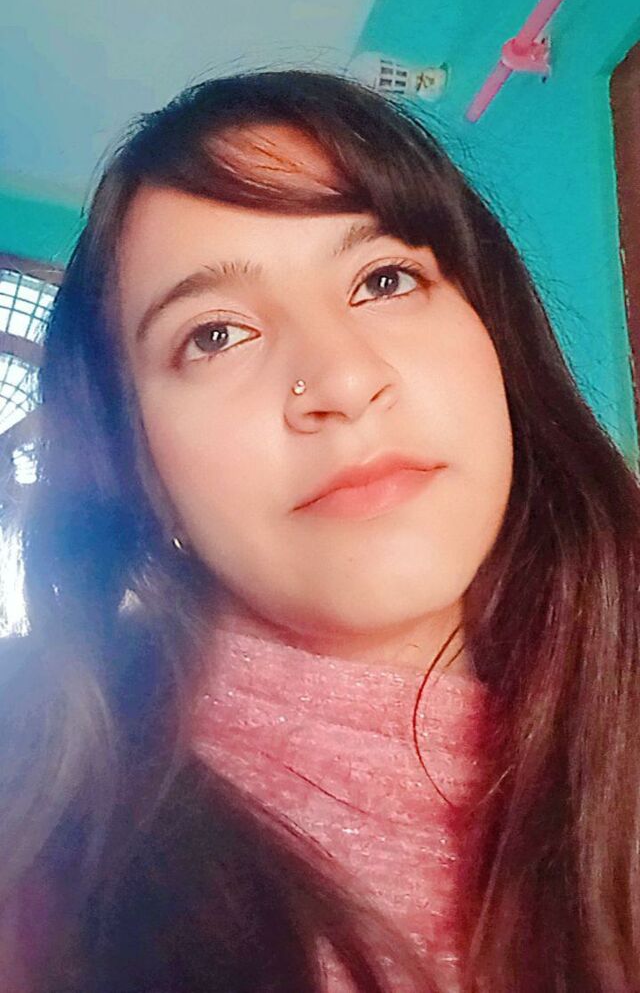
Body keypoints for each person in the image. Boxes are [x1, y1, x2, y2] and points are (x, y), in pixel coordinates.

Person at [0, 70, 639, 993]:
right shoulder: (48, 853)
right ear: (142, 471)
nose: (340, 380)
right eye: (215, 335)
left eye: (384, 279)